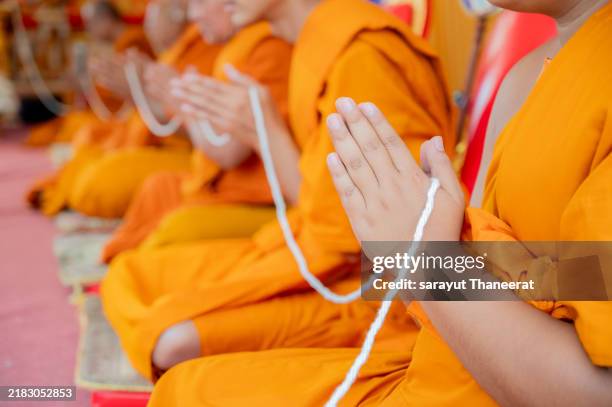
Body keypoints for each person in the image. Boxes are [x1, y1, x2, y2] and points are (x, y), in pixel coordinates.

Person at [148, 0, 612, 405]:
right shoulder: (529, 72)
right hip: (436, 329)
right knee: (178, 361)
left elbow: (364, 246)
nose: (193, 10)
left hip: (426, 323)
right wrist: (425, 253)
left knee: (179, 359)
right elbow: (521, 263)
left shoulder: (364, 49)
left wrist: (428, 260)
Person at [100, 0, 454, 381]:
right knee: (128, 274)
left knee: (169, 339)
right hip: (303, 245)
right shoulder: (310, 41)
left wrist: (264, 130)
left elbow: (365, 237)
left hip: (364, 290)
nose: (196, 9)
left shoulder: (362, 53)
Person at [100, 0, 294, 262]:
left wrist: (182, 103)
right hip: (218, 182)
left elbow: (229, 151)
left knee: (163, 244)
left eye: (199, 2)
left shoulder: (273, 47)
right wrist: (145, 92)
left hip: (278, 208)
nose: (192, 15)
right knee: (154, 193)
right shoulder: (237, 46)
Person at [25, 0, 214, 218]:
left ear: (176, 14)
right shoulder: (181, 48)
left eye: (152, 20)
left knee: (94, 183)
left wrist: (138, 92)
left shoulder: (199, 44)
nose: (148, 28)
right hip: (155, 139)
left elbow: (204, 129)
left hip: (189, 154)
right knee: (88, 153)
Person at [25, 0, 155, 147]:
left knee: (80, 130)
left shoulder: (133, 41)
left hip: (127, 116)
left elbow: (125, 89)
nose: (88, 29)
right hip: (110, 112)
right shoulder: (115, 44)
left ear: (106, 19)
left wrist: (90, 83)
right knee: (61, 126)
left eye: (90, 23)